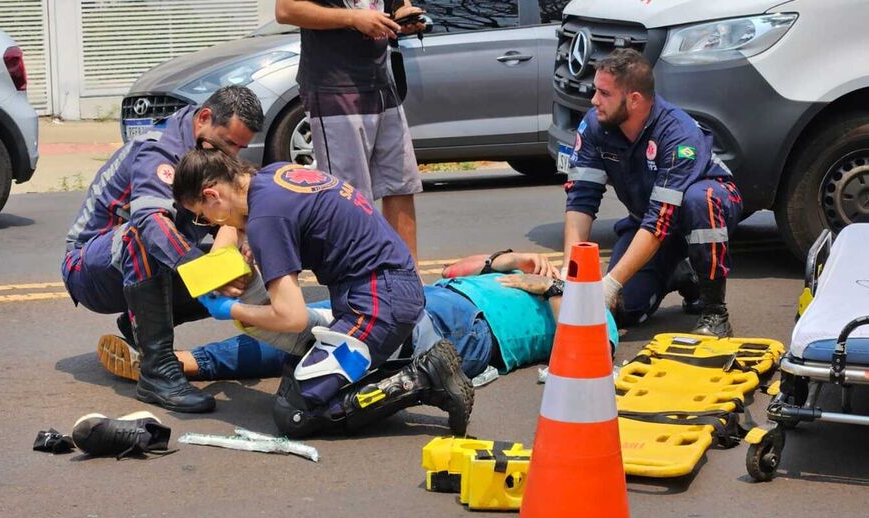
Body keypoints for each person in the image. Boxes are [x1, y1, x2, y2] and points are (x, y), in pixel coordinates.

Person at [169, 147, 473, 439]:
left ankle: (424, 378)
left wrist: (228, 309)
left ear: (212, 194)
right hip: (387, 288)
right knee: (294, 371)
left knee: (294, 412)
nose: (209, 223)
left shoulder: (266, 220)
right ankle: (390, 355)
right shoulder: (271, 178)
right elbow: (246, 223)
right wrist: (227, 260)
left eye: (202, 216)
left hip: (378, 304)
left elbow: (291, 317)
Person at [97, 251, 620, 399]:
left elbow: (579, 352)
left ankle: (176, 362)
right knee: (312, 336)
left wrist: (556, 293)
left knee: (319, 340)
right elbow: (457, 270)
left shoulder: (599, 318)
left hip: (476, 336)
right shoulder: (541, 272)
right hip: (440, 297)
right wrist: (518, 261)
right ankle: (178, 363)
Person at [61, 86, 264, 413]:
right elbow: (151, 224)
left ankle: (140, 324)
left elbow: (233, 208)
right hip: (89, 269)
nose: (232, 156)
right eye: (228, 143)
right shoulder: (158, 152)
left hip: (137, 269)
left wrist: (247, 239)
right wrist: (208, 274)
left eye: (239, 148)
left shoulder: (209, 146)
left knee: (239, 264)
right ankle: (158, 373)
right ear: (204, 118)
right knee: (146, 233)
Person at [564, 49, 743, 337]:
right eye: (595, 90)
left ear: (634, 99)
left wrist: (608, 284)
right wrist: (568, 274)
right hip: (648, 220)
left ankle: (715, 312)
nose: (594, 100)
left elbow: (660, 221)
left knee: (700, 199)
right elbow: (581, 199)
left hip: (704, 208)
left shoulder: (679, 134)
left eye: (604, 93)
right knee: (625, 311)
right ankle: (680, 274)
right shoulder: (596, 124)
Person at [275, 0, 425, 261]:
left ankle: (409, 283)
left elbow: (399, 6)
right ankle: (357, 287)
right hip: (335, 86)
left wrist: (403, 18)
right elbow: (286, 10)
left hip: (381, 83)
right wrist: (352, 19)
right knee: (348, 196)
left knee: (400, 185)